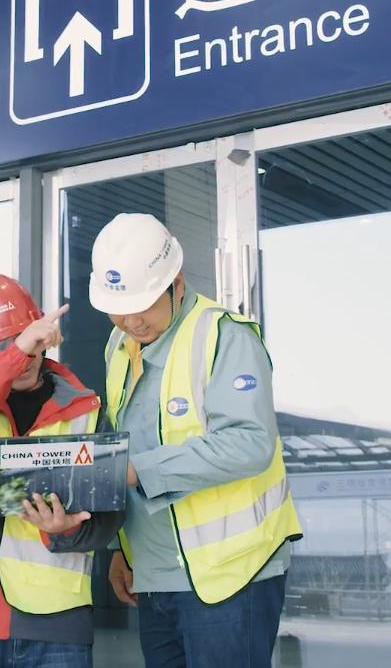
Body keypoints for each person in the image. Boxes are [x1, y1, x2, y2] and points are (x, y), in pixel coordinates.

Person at [89, 213, 303, 668]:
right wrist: (120, 549)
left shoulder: (223, 335)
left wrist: (140, 470)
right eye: (118, 308)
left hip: (232, 574)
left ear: (177, 284)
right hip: (154, 573)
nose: (131, 320)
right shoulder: (117, 346)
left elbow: (250, 442)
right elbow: (120, 444)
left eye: (143, 304)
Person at [0, 274, 122, 668]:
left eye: (28, 340)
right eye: (6, 345)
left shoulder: (87, 411)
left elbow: (108, 519)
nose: (26, 356)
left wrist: (65, 528)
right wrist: (13, 353)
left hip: (56, 624)